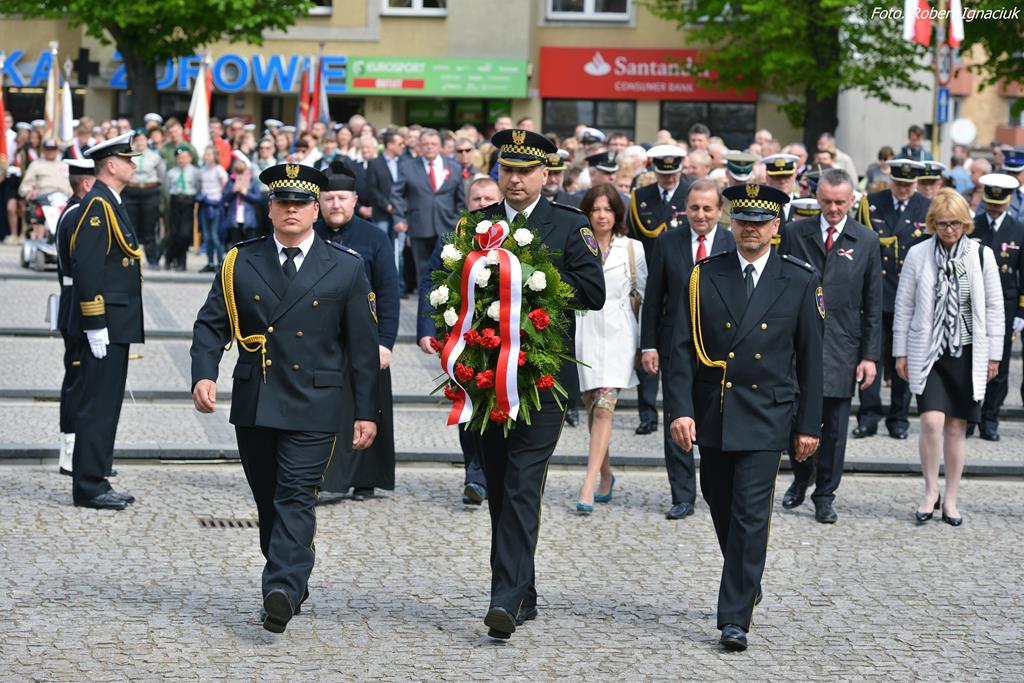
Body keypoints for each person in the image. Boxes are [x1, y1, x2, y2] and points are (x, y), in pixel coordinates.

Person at [190, 162, 380, 633]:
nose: (291, 209)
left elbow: (361, 348)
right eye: (283, 202)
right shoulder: (240, 260)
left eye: (301, 202)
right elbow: (211, 323)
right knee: (268, 499)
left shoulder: (345, 265)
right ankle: (292, 573)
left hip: (315, 401)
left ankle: (280, 588)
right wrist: (204, 373)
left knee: (295, 495)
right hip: (257, 399)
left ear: (316, 210)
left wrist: (366, 411)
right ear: (270, 209)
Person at [666, 182, 823, 652]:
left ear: (776, 226)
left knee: (752, 513)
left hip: (766, 412)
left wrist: (808, 425)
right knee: (718, 498)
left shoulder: (799, 279)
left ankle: (734, 617)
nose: (750, 229)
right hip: (714, 410)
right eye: (742, 221)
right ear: (730, 223)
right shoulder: (704, 275)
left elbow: (811, 359)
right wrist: (680, 410)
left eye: (759, 222)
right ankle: (746, 575)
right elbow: (680, 350)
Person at [472, 129, 605, 640]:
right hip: (487, 376)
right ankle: (522, 590)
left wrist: (534, 279)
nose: (515, 179)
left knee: (523, 482)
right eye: (507, 170)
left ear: (545, 174)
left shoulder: (569, 225)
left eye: (526, 171)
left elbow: (593, 291)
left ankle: (503, 598)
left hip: (541, 377)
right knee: (499, 486)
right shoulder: (477, 223)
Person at [778, 168, 883, 523]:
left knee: (835, 430)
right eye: (826, 202)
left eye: (840, 202)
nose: (833, 209)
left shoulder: (866, 240)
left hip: (842, 346)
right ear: (816, 198)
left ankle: (825, 494)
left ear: (852, 200)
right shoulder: (795, 233)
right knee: (795, 420)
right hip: (797, 345)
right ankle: (801, 476)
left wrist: (869, 356)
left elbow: (873, 305)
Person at [893, 189, 1002, 527]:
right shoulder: (918, 254)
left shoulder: (981, 255)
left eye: (955, 223)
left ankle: (951, 498)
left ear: (965, 223)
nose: (949, 230)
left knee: (957, 427)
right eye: (942, 224)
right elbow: (904, 305)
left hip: (967, 351)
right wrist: (900, 352)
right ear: (932, 224)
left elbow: (994, 307)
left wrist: (994, 356)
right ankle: (930, 491)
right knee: (930, 421)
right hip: (928, 350)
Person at [641, 179, 735, 520]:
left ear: (720, 211)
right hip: (675, 347)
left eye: (708, 208)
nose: (700, 215)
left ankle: (719, 487)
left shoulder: (732, 242)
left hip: (720, 351)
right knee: (677, 417)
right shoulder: (668, 242)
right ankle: (682, 494)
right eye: (694, 208)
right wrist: (648, 344)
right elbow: (653, 299)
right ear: (685, 209)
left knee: (717, 419)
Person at [314, 162, 400, 502]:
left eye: (342, 198)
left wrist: (385, 342)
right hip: (322, 342)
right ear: (319, 202)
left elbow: (389, 293)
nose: (335, 204)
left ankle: (366, 478)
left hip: (367, 340)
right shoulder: (310, 234)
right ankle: (323, 476)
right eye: (329, 198)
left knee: (369, 406)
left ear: (354, 200)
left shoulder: (375, 237)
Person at [68, 133, 145, 510]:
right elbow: (87, 267)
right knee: (97, 404)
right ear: (111, 165)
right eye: (128, 160)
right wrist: (95, 323)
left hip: (117, 321)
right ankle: (88, 485)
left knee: (107, 404)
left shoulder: (110, 201)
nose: (134, 165)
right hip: (105, 323)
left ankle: (97, 475)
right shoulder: (98, 204)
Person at [416, 175, 501, 505]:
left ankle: (499, 473)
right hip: (462, 337)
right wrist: (427, 328)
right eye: (476, 199)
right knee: (467, 406)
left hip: (504, 337)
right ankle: (475, 476)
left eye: (489, 198)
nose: (482, 204)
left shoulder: (516, 236)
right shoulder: (452, 237)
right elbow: (430, 281)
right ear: (467, 203)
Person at [574, 184, 646, 513]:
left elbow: (643, 297)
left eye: (607, 209)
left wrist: (644, 344)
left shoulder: (632, 248)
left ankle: (588, 485)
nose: (601, 215)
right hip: (585, 334)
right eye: (595, 209)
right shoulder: (577, 245)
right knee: (593, 408)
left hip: (619, 335)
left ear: (617, 213)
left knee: (604, 409)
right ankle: (605, 473)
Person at [854, 159, 930, 440]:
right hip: (876, 293)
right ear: (891, 180)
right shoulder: (872, 203)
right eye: (899, 183)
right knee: (869, 356)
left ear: (916, 184)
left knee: (904, 360)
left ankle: (899, 418)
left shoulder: (926, 206)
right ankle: (868, 416)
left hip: (910, 296)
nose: (903, 189)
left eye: (908, 185)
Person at [627, 145, 690, 438]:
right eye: (663, 174)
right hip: (650, 278)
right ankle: (647, 413)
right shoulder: (641, 197)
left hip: (682, 279)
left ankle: (683, 412)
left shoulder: (690, 194)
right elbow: (634, 238)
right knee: (648, 343)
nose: (668, 179)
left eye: (673, 173)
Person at [967, 174, 1024, 440]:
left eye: (999, 205)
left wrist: (1021, 311)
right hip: (971, 302)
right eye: (990, 203)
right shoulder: (972, 226)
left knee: (998, 365)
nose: (993, 208)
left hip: (1005, 304)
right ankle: (969, 416)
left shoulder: (1019, 229)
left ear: (1009, 202)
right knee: (970, 362)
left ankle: (990, 419)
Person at [53, 158, 96, 476]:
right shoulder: (78, 214)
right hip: (77, 307)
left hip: (74, 302)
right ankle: (70, 452)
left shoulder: (74, 211)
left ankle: (82, 451)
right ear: (87, 184)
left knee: (84, 381)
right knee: (77, 381)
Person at [391, 128, 465, 287]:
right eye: (425, 144)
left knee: (449, 273)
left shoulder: (454, 168)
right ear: (419, 146)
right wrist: (399, 218)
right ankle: (425, 302)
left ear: (440, 146)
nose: (429, 146)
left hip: (448, 226)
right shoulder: (407, 166)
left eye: (433, 143)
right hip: (419, 226)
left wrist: (456, 220)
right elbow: (396, 194)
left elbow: (461, 199)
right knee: (424, 273)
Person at [124, 131, 166, 267]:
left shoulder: (155, 156)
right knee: (131, 227)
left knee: (150, 227)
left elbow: (162, 174)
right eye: (138, 140)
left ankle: (152, 259)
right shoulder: (129, 155)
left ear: (147, 141)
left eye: (143, 139)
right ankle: (131, 258)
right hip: (132, 191)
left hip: (149, 191)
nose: (140, 142)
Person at [164, 146, 200, 271]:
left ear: (190, 158)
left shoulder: (195, 172)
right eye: (179, 158)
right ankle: (180, 262)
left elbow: (198, 186)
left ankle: (170, 256)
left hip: (188, 201)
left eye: (184, 157)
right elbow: (167, 188)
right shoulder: (171, 172)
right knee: (175, 232)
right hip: (175, 200)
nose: (181, 160)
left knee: (185, 234)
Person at [197, 146, 229, 273]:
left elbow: (224, 184)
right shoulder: (202, 171)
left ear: (215, 156)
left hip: (215, 205)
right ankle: (210, 263)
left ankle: (221, 263)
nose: (206, 156)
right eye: (205, 154)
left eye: (209, 154)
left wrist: (219, 198)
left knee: (215, 236)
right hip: (205, 205)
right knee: (207, 236)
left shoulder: (219, 170)